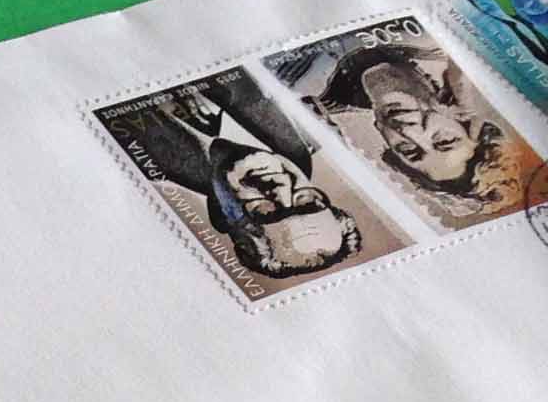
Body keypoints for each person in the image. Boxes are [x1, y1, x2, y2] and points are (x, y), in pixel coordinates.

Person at [110, 82, 364, 282]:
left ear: (225, 218)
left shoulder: (140, 167)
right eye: (307, 202)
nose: (281, 190)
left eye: (265, 212)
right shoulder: (308, 125)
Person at [317, 37, 507, 200]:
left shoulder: (316, 100)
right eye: (444, 140)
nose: (408, 131)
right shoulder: (447, 46)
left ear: (379, 129)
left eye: (408, 150)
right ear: (463, 118)